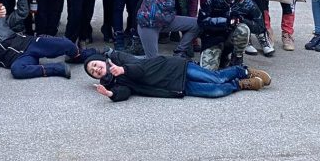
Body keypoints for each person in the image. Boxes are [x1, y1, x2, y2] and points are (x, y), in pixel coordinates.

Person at [0, 0, 94, 79]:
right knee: (17, 71)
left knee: (66, 44)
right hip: (16, 58)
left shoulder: (0, 19)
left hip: (29, 43)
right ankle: (57, 69)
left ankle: (83, 56)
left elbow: (22, 12)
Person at [84, 50, 270, 101]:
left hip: (174, 68)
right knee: (216, 91)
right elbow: (125, 92)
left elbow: (140, 67)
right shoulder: (111, 83)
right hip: (171, 87)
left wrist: (124, 70)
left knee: (216, 78)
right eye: (93, 72)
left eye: (95, 65)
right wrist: (111, 94)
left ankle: (242, 71)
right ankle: (240, 84)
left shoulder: (118, 57)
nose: (96, 69)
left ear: (100, 60)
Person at [197, 0, 264, 69]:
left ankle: (236, 57)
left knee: (243, 28)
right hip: (213, 38)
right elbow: (201, 20)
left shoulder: (249, 3)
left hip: (232, 40)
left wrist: (242, 20)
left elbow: (260, 27)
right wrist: (226, 21)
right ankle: (220, 57)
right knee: (208, 73)